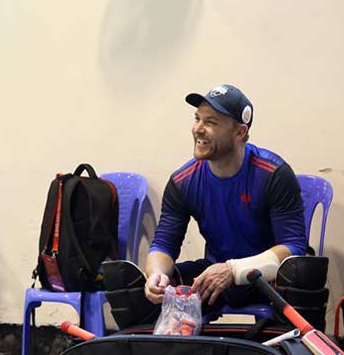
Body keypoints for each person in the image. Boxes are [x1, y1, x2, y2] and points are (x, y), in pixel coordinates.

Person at [104, 84, 307, 328]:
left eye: (210, 122)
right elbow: (164, 245)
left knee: (301, 273)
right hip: (212, 279)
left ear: (240, 132)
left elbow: (294, 247)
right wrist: (157, 275)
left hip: (265, 278)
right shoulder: (183, 181)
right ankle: (156, 344)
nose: (198, 129)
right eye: (197, 119)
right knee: (133, 290)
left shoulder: (273, 174)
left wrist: (233, 270)